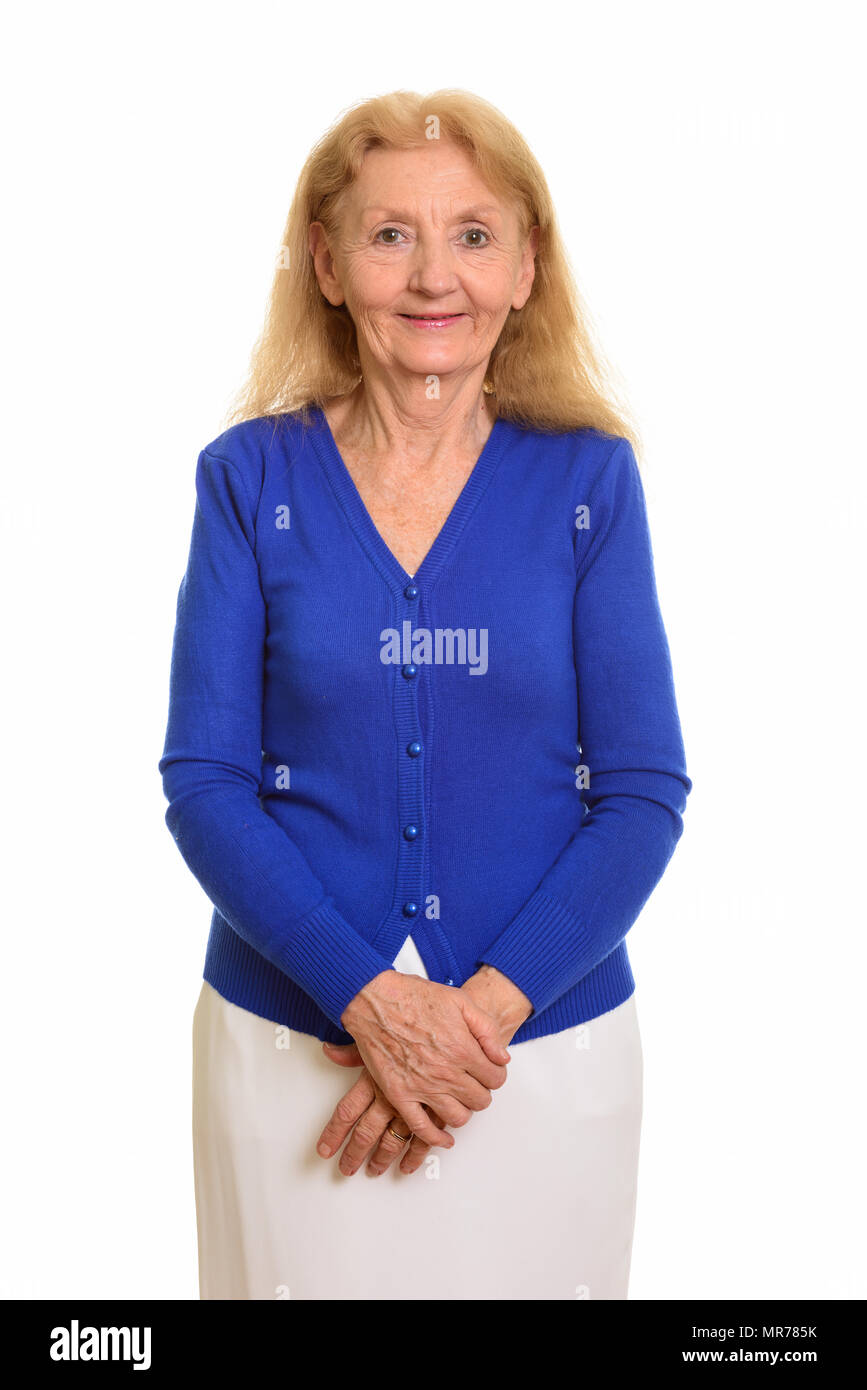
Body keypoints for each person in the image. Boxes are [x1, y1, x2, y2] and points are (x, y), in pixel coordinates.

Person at [159, 87, 692, 1300]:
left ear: (525, 265)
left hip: (540, 1056)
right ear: (328, 262)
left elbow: (646, 792)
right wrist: (372, 999)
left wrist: (473, 1023)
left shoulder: (588, 483)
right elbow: (204, 784)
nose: (432, 274)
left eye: (472, 233)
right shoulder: (248, 479)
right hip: (293, 1048)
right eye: (390, 232)